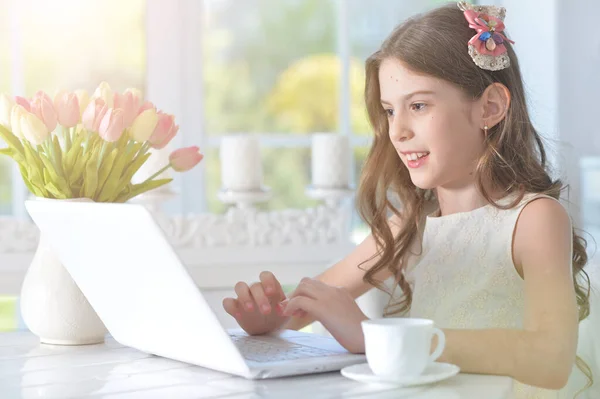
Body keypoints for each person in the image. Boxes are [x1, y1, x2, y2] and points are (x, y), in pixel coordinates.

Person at [222, 2, 594, 397]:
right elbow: (312, 304)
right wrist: (272, 319)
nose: (396, 131)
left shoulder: (534, 219)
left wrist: (377, 336)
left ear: (490, 107)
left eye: (418, 106)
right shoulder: (410, 223)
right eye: (388, 111)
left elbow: (551, 359)